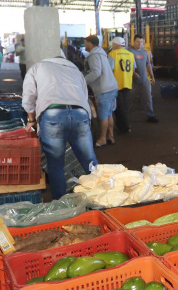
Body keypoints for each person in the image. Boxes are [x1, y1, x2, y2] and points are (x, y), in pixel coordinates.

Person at [22, 53, 98, 199]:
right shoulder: (75, 70)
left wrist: (31, 119)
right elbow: (84, 95)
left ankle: (61, 202)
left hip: (52, 114)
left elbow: (28, 97)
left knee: (55, 162)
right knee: (89, 159)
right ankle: (101, 196)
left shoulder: (38, 67)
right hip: (80, 113)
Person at [83, 35, 118, 147]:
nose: (84, 44)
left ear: (90, 43)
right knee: (108, 114)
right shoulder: (102, 53)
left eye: (85, 42)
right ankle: (110, 136)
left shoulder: (93, 55)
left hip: (104, 89)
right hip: (112, 87)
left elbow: (96, 72)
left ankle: (102, 139)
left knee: (103, 115)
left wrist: (82, 81)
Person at [128, 35, 158, 123]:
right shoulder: (129, 51)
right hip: (133, 82)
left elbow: (148, 65)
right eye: (138, 41)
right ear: (133, 41)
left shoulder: (144, 52)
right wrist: (133, 73)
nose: (140, 44)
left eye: (141, 42)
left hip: (144, 81)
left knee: (148, 99)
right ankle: (123, 116)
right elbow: (127, 65)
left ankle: (150, 115)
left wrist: (152, 77)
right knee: (129, 100)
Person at [109, 36, 134, 134]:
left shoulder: (112, 54)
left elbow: (109, 70)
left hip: (116, 84)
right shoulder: (131, 55)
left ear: (115, 44)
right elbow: (133, 69)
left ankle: (124, 127)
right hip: (127, 83)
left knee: (119, 107)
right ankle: (123, 126)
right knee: (124, 105)